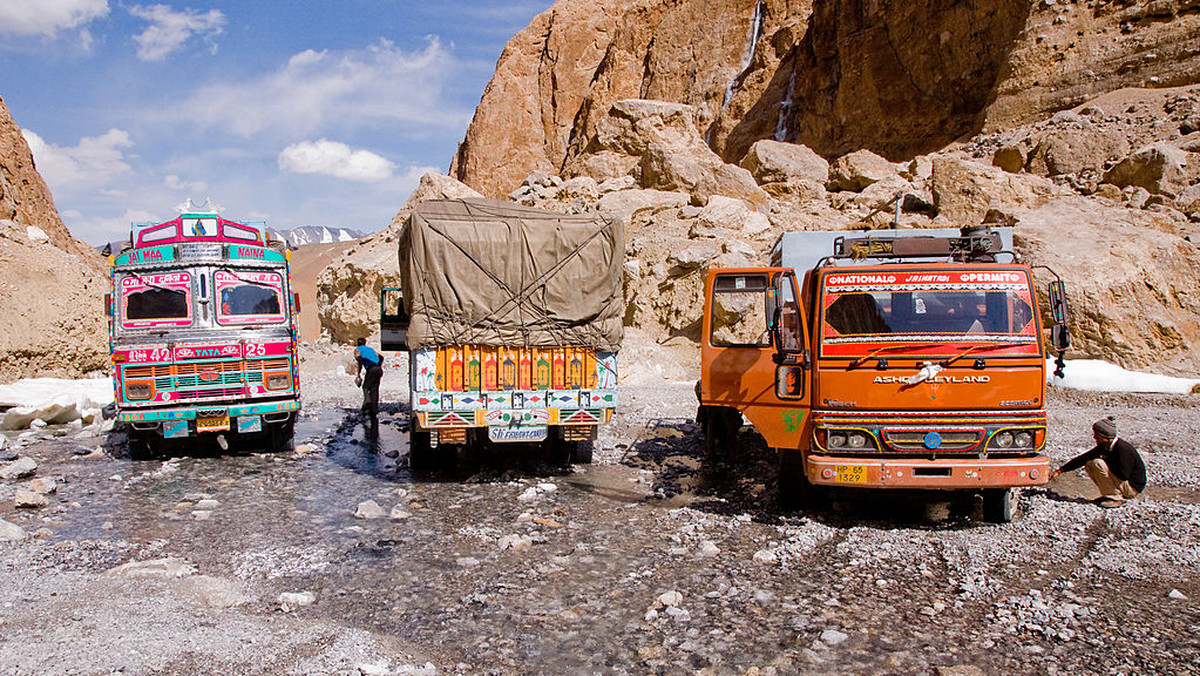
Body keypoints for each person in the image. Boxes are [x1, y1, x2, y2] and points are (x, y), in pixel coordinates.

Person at [1049, 416, 1146, 508]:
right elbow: (1083, 458)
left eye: (1097, 435)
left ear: (1104, 437)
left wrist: (1106, 460)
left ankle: (1115, 498)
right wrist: (1060, 471)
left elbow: (1123, 475)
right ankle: (1109, 495)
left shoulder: (1123, 449)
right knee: (1090, 464)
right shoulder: (1106, 446)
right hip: (1123, 484)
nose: (1094, 437)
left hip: (1132, 488)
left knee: (1097, 463)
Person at [353, 337, 384, 425]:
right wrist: (378, 365)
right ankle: (374, 410)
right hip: (378, 369)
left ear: (357, 343)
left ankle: (367, 402)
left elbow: (359, 361)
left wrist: (358, 374)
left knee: (365, 387)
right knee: (374, 389)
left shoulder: (357, 350)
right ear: (365, 343)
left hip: (371, 369)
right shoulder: (371, 349)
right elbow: (381, 357)